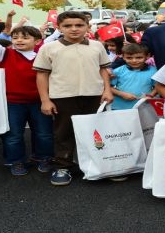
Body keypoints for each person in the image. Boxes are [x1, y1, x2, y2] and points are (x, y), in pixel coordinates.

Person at [0, 14, 54, 177]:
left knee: (44, 133)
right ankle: (16, 161)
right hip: (13, 102)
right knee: (13, 135)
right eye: (15, 37)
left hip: (39, 101)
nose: (19, 40)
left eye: (25, 38)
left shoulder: (43, 56)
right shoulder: (5, 54)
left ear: (37, 41)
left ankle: (44, 158)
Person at [34, 11, 113, 186]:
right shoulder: (49, 48)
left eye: (79, 25)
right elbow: (42, 75)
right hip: (63, 96)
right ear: (59, 28)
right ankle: (63, 166)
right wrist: (45, 100)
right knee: (64, 132)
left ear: (87, 26)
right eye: (68, 26)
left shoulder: (97, 46)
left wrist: (107, 90)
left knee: (95, 132)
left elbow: (103, 69)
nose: (74, 29)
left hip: (94, 96)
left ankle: (98, 164)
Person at [110, 43, 157, 110]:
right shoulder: (118, 71)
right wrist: (122, 94)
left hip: (143, 107)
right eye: (129, 58)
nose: (134, 61)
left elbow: (158, 87)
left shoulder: (153, 71)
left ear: (147, 56)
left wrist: (150, 95)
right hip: (120, 108)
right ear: (123, 57)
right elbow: (108, 87)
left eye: (139, 57)